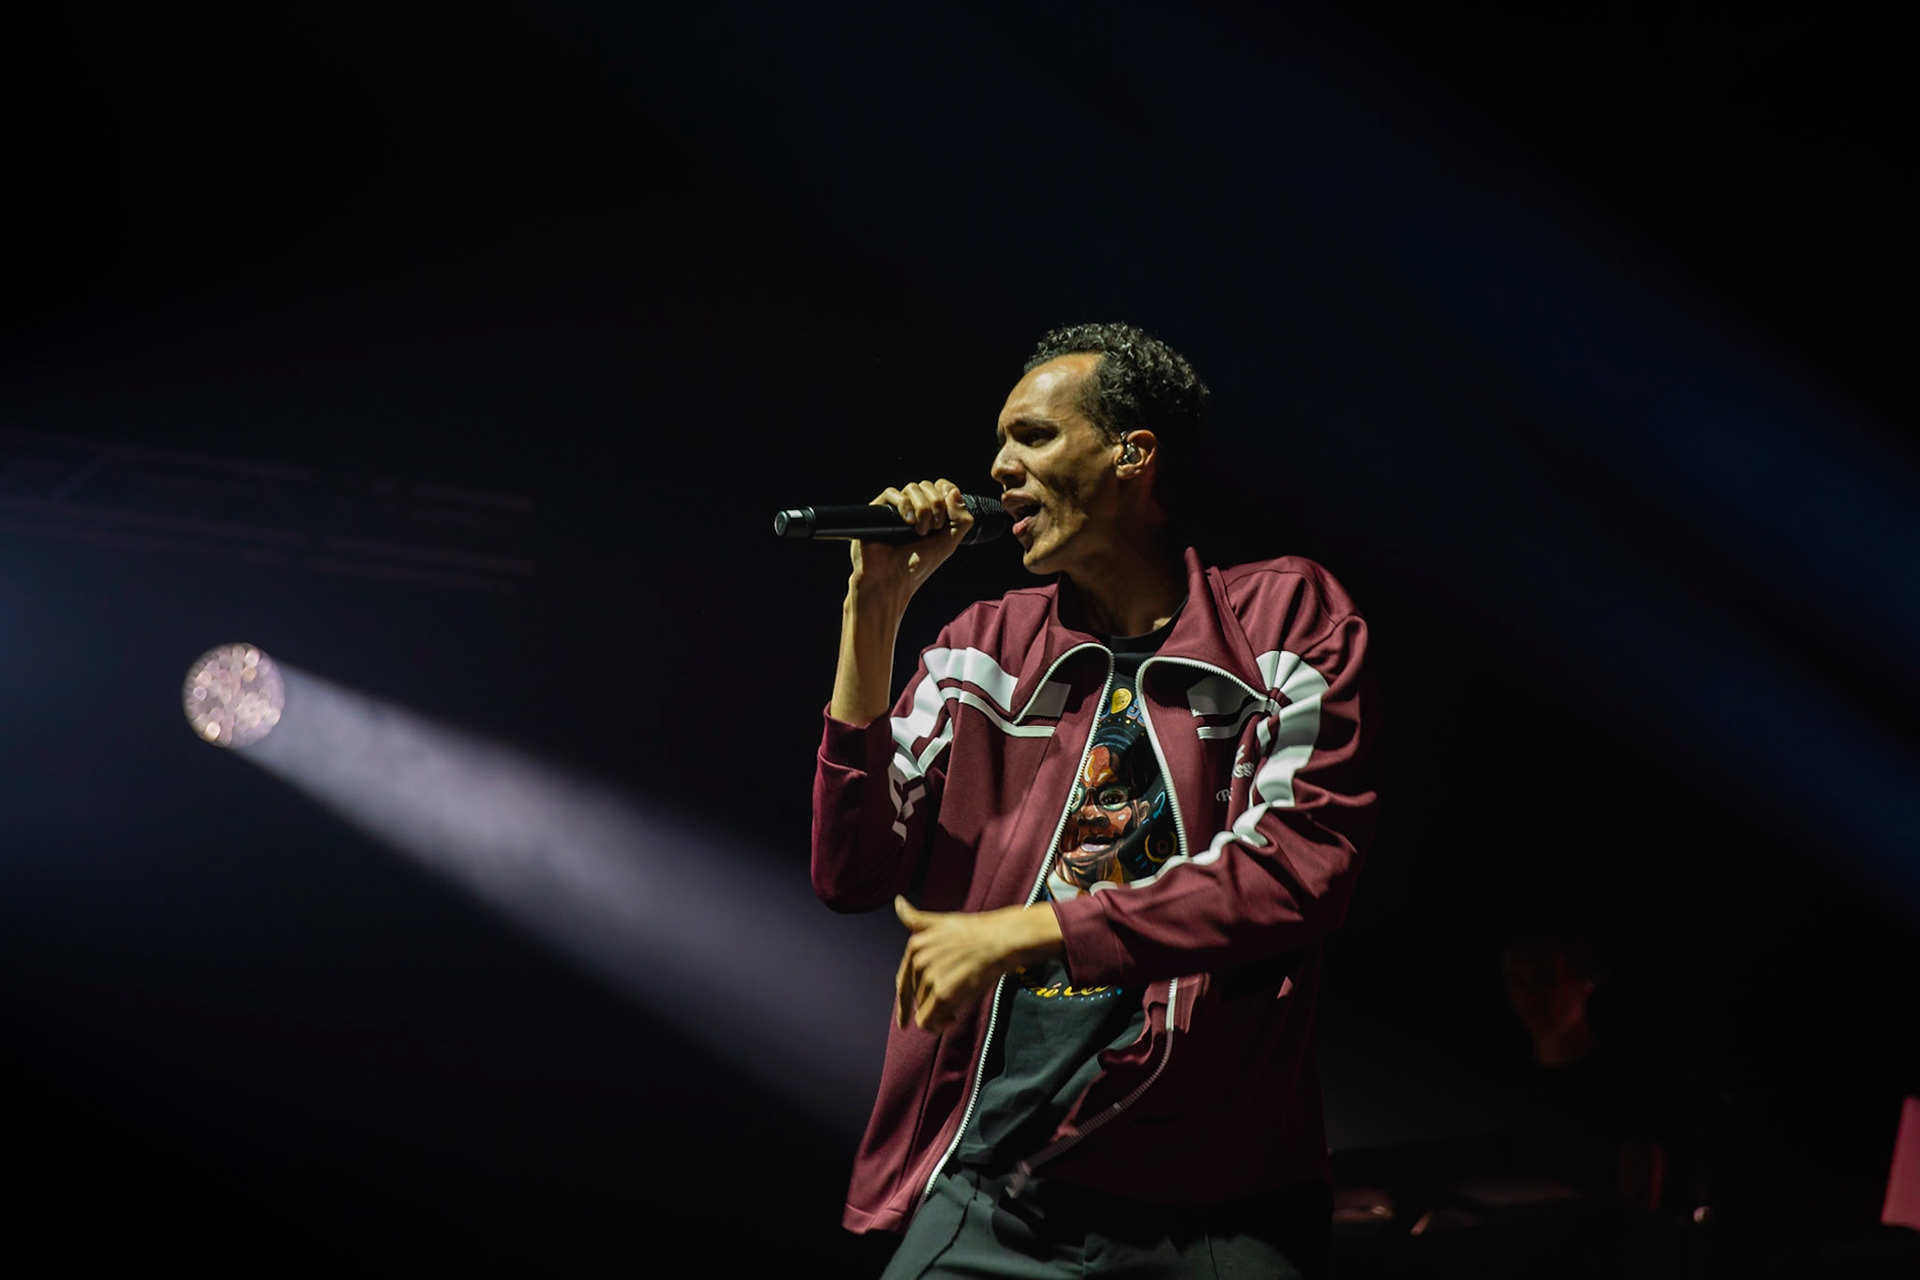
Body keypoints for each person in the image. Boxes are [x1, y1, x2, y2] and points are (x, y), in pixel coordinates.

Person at [810, 323, 1379, 1277]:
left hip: (1216, 1201)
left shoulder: (1285, 620)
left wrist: (1030, 931)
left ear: (1132, 454)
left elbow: (1298, 866)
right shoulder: (981, 646)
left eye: (1031, 437)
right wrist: (873, 610)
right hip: (995, 1186)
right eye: (999, 442)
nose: (999, 467)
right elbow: (851, 871)